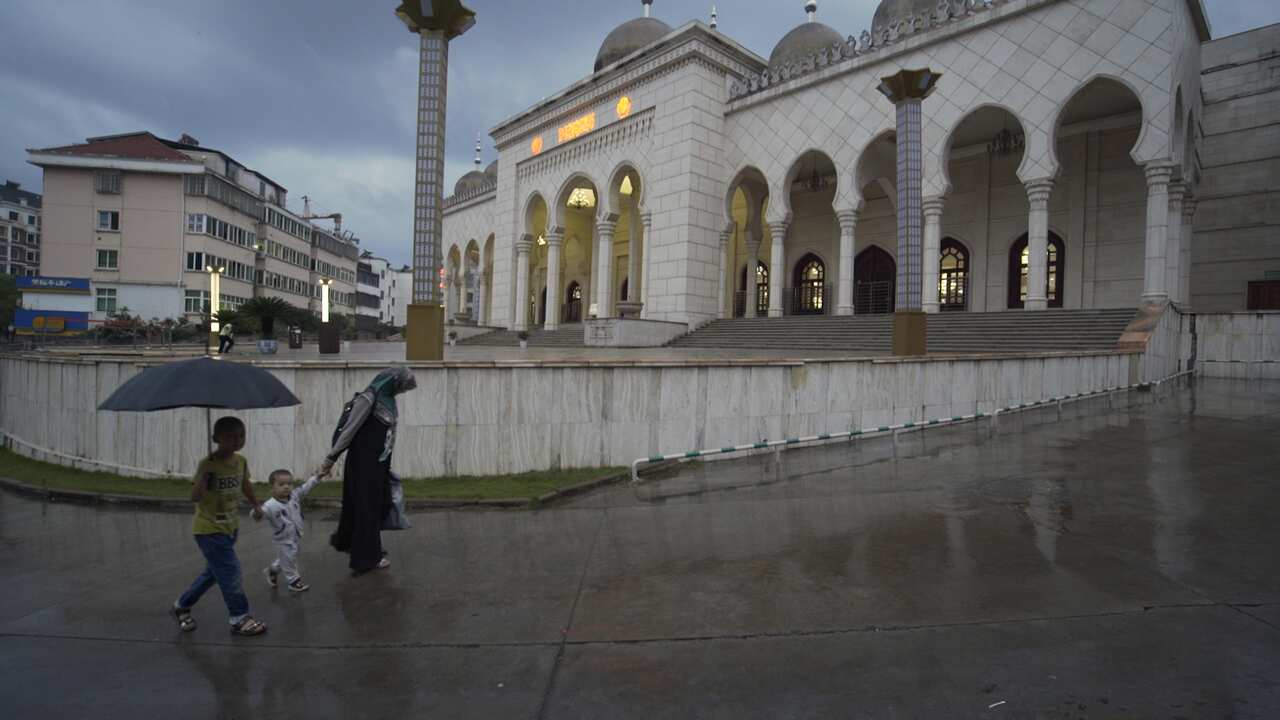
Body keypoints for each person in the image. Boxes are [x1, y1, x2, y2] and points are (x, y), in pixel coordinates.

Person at [171, 416, 268, 636]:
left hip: (230, 527)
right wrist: (203, 480)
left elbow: (244, 484)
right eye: (230, 437)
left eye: (241, 436)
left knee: (214, 573)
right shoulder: (207, 464)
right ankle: (239, 618)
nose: (237, 441)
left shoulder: (241, 461)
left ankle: (182, 605)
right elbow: (194, 497)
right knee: (231, 571)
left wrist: (256, 504)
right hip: (209, 530)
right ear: (216, 438)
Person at [322, 366, 417, 575]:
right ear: (392, 381)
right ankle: (365, 558)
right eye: (402, 386)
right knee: (368, 510)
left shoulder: (389, 400)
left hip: (378, 465)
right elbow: (349, 430)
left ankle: (354, 543)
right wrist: (331, 458)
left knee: (380, 505)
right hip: (363, 464)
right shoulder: (368, 398)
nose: (402, 390)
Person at [261, 469, 320, 592]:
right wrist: (256, 513)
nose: (286, 487)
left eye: (289, 483)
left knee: (289, 556)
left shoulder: (293, 496)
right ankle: (293, 581)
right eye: (281, 484)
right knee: (289, 559)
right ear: (272, 487)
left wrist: (316, 478)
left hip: (295, 535)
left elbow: (304, 488)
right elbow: (259, 513)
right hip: (283, 539)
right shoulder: (269, 505)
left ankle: (273, 570)